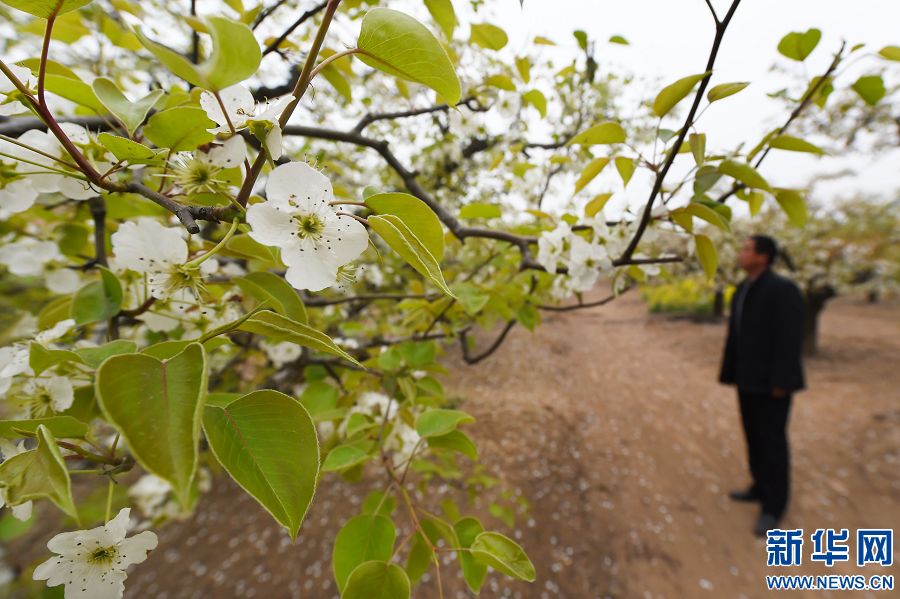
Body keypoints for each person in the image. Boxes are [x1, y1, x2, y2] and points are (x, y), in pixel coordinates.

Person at [719, 235, 805, 537]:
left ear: (763, 256)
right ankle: (759, 485)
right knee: (753, 435)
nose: (740, 254)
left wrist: (783, 381)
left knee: (772, 442)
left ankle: (774, 505)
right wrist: (730, 371)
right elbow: (738, 334)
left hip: (772, 385)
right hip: (748, 379)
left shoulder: (783, 290)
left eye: (746, 249)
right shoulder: (744, 289)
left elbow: (789, 339)